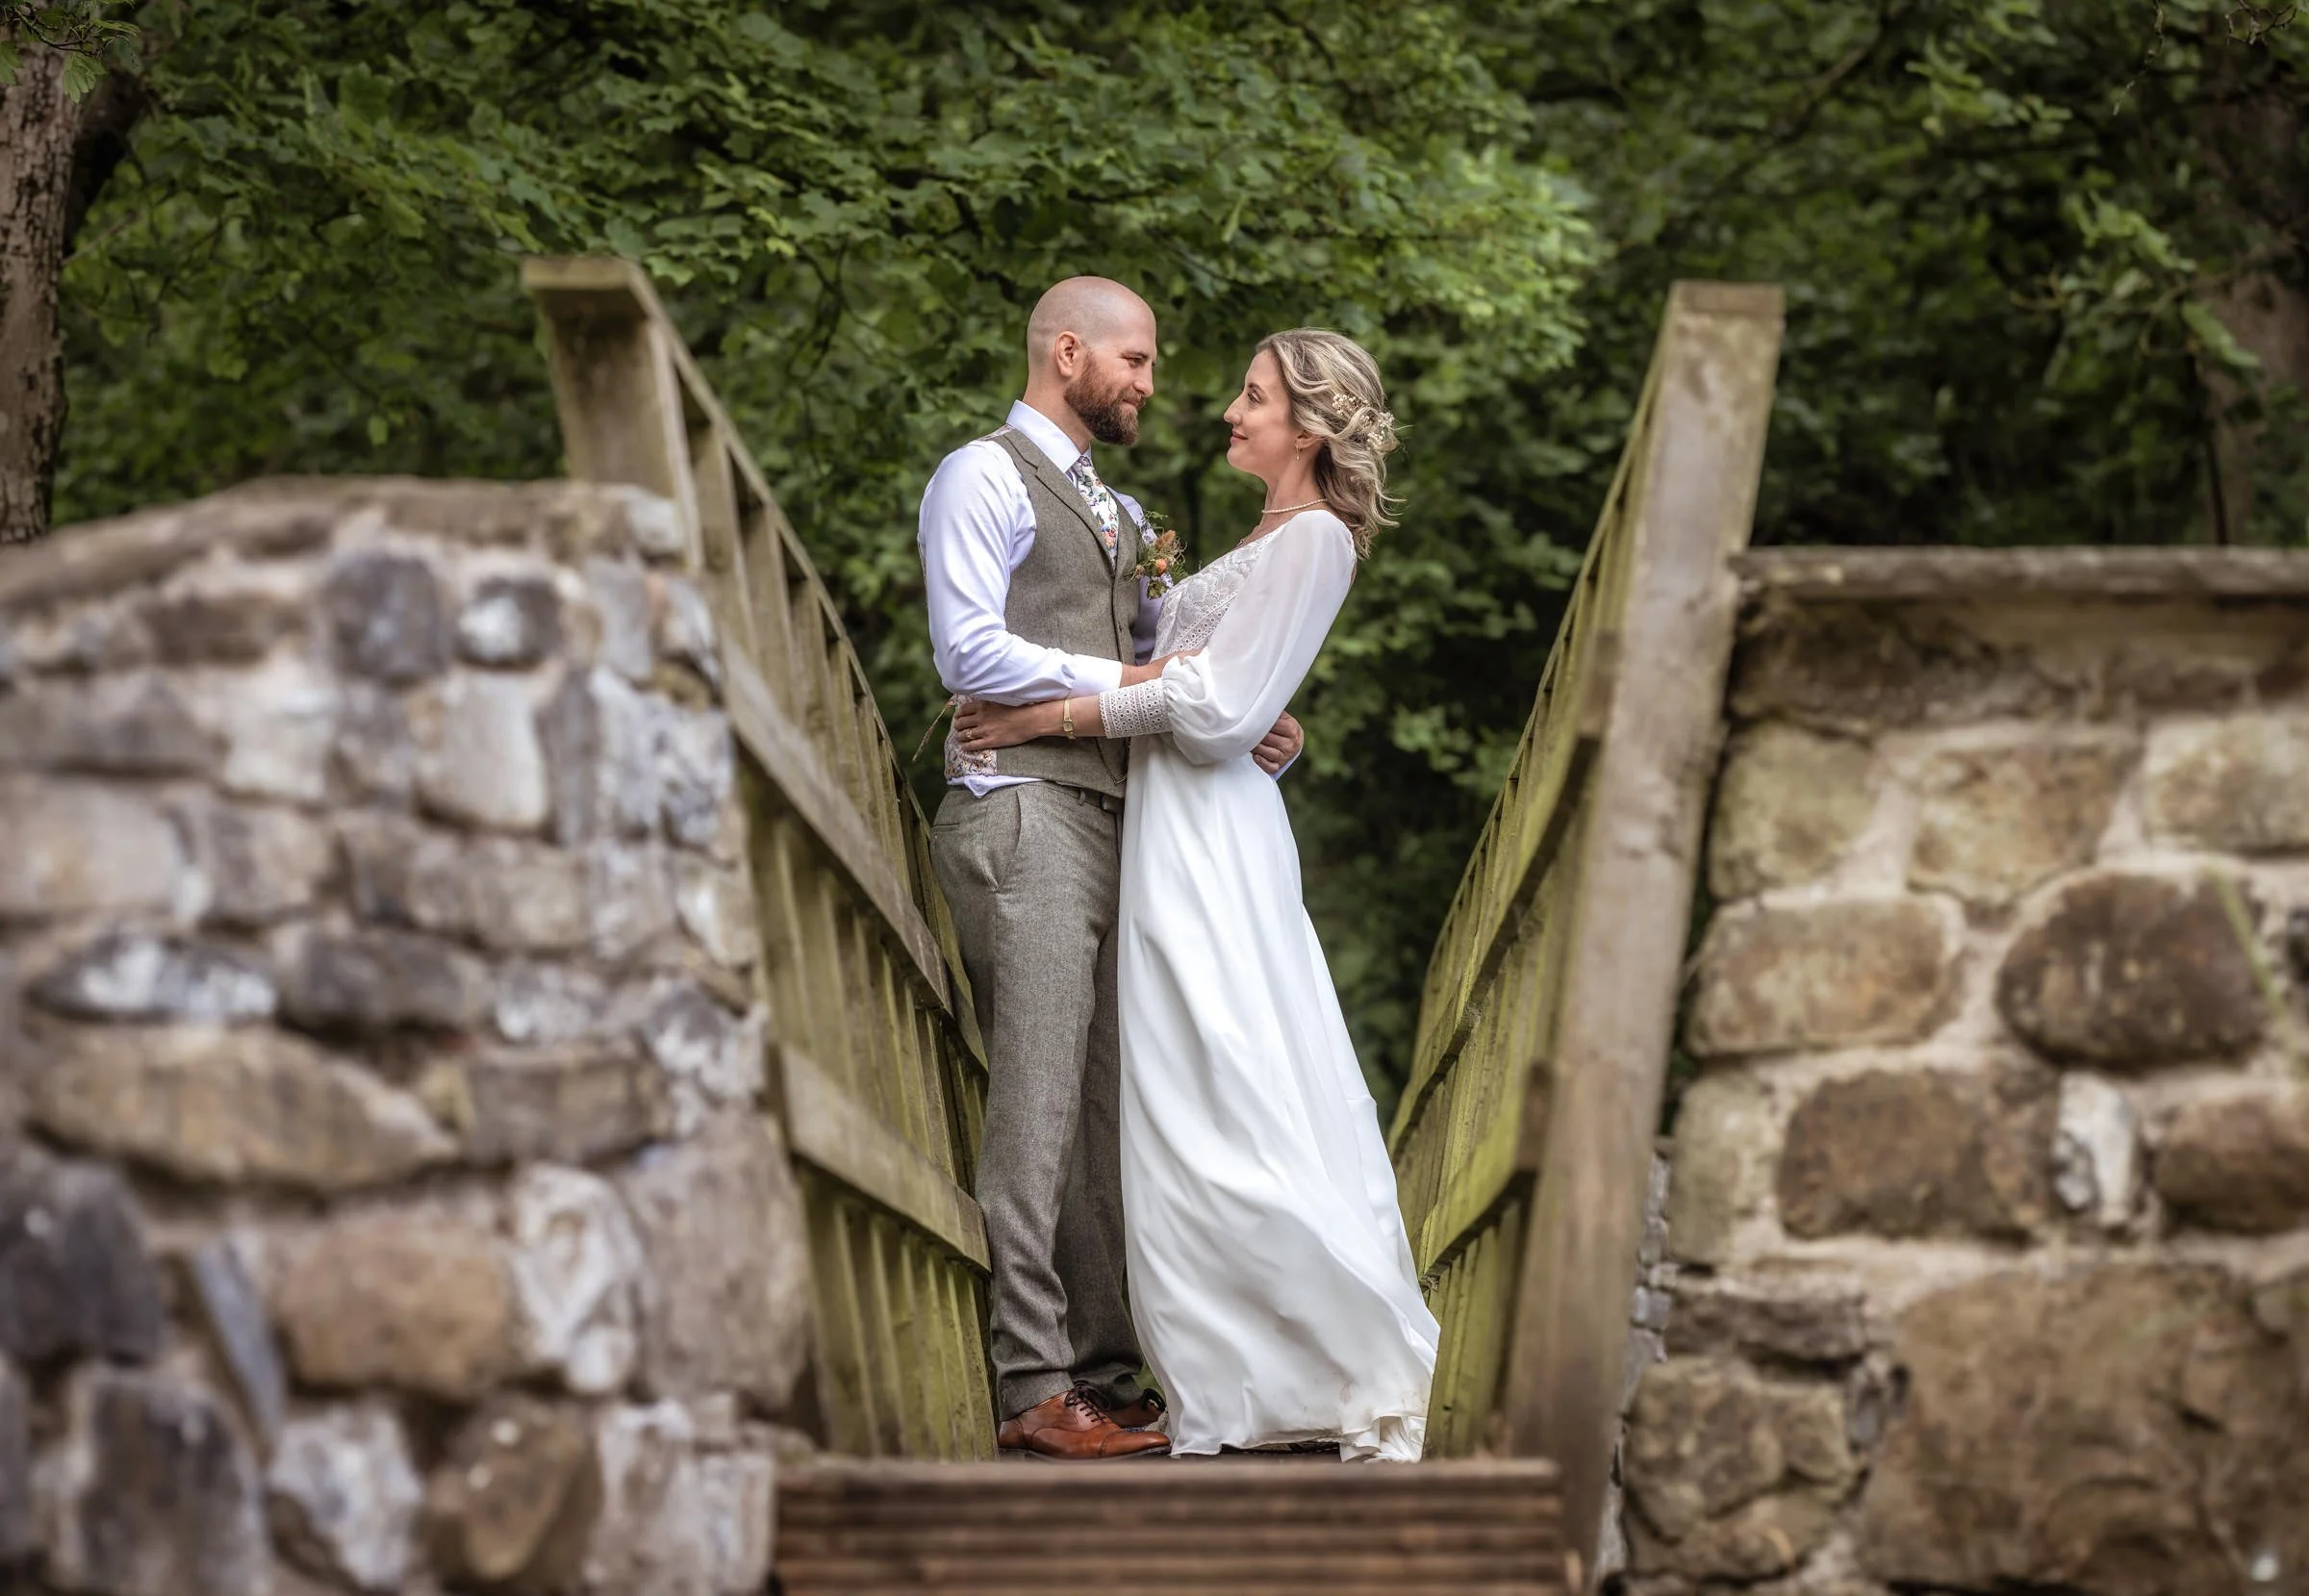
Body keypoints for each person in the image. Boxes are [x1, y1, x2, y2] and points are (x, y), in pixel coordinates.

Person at [953, 327, 1438, 1461]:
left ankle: (1310, 1350)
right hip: (1174, 824)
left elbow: (1214, 712)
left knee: (1230, 1075)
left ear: (1310, 428)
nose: (1229, 408)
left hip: (1210, 840)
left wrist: (1043, 717)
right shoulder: (1270, 534)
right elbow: (1229, 699)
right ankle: (1227, 1362)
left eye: (1255, 397)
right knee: (1182, 1094)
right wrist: (1251, 707)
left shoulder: (1315, 536)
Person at [919, 277, 1305, 1462]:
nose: (1149, 383)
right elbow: (968, 645)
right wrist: (1137, 690)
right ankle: (1033, 1385)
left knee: (1102, 1110)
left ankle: (1099, 1366)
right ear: (1068, 352)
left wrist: (1243, 721)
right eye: (1134, 361)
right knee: (1033, 1107)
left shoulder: (1121, 509)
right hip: (1021, 810)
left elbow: (1160, 661)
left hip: (1111, 819)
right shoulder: (980, 475)